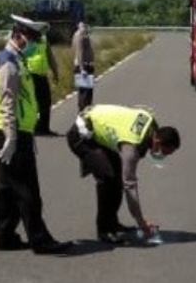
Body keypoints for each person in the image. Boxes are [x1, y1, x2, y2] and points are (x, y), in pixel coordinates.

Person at [0, 14, 72, 255]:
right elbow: (7, 103)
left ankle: (5, 237)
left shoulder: (17, 59)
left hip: (11, 131)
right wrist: (12, 137)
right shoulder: (9, 63)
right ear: (17, 36)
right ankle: (40, 240)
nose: (34, 43)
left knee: (6, 188)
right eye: (31, 38)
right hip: (12, 133)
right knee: (27, 191)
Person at [65, 104, 181, 244]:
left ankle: (112, 223)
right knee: (107, 178)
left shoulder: (152, 125)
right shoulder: (131, 148)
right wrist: (141, 221)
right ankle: (104, 230)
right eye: (165, 152)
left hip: (98, 131)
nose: (163, 155)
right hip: (82, 135)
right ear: (157, 141)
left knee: (116, 177)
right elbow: (130, 185)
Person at [22, 18, 60, 136]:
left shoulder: (43, 40)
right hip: (29, 75)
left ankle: (44, 128)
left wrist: (55, 72)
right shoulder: (27, 40)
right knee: (32, 103)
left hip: (42, 75)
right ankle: (30, 127)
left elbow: (50, 56)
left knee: (46, 102)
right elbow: (20, 57)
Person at [71, 21, 96, 112]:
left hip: (86, 66)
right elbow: (79, 52)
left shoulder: (82, 35)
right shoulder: (79, 35)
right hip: (83, 67)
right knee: (84, 95)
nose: (86, 28)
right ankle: (82, 114)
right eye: (84, 25)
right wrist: (82, 69)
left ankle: (85, 113)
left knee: (87, 93)